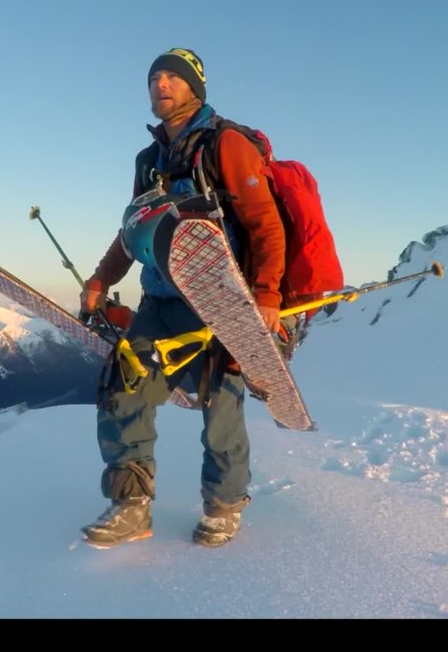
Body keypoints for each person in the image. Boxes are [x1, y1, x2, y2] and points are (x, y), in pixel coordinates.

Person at [77, 47, 288, 549]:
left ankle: (224, 505)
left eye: (173, 76)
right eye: (154, 77)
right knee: (123, 392)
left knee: (220, 408)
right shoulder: (148, 160)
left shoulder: (227, 144)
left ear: (197, 86)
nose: (161, 84)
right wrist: (99, 281)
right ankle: (130, 506)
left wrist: (267, 295)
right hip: (159, 301)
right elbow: (133, 230)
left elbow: (266, 226)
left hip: (221, 298)